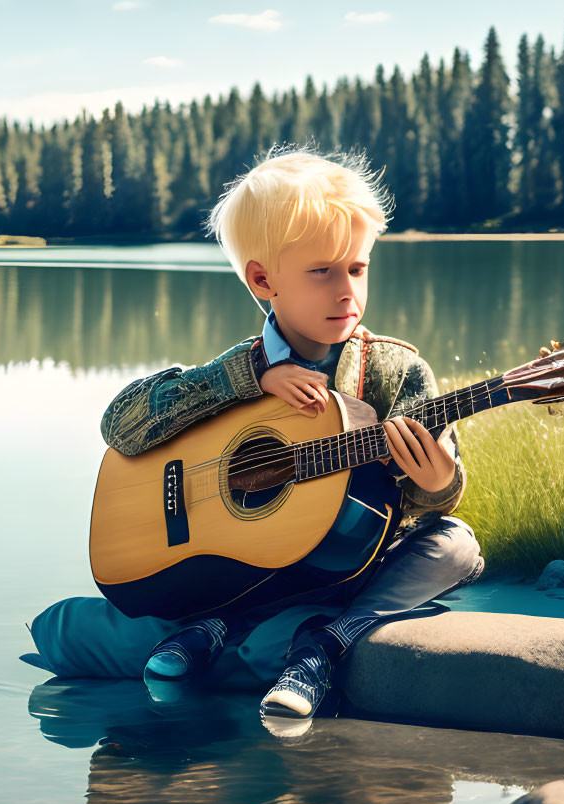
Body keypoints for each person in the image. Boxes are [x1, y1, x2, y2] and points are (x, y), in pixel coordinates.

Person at [99, 144, 484, 724]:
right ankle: (221, 621)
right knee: (251, 546)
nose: (345, 291)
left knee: (455, 544)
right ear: (262, 279)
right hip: (250, 565)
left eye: (357, 268)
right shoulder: (237, 372)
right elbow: (121, 425)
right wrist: (246, 378)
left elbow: (424, 500)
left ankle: (322, 642)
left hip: (354, 559)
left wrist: (437, 483)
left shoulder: (395, 371)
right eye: (320, 272)